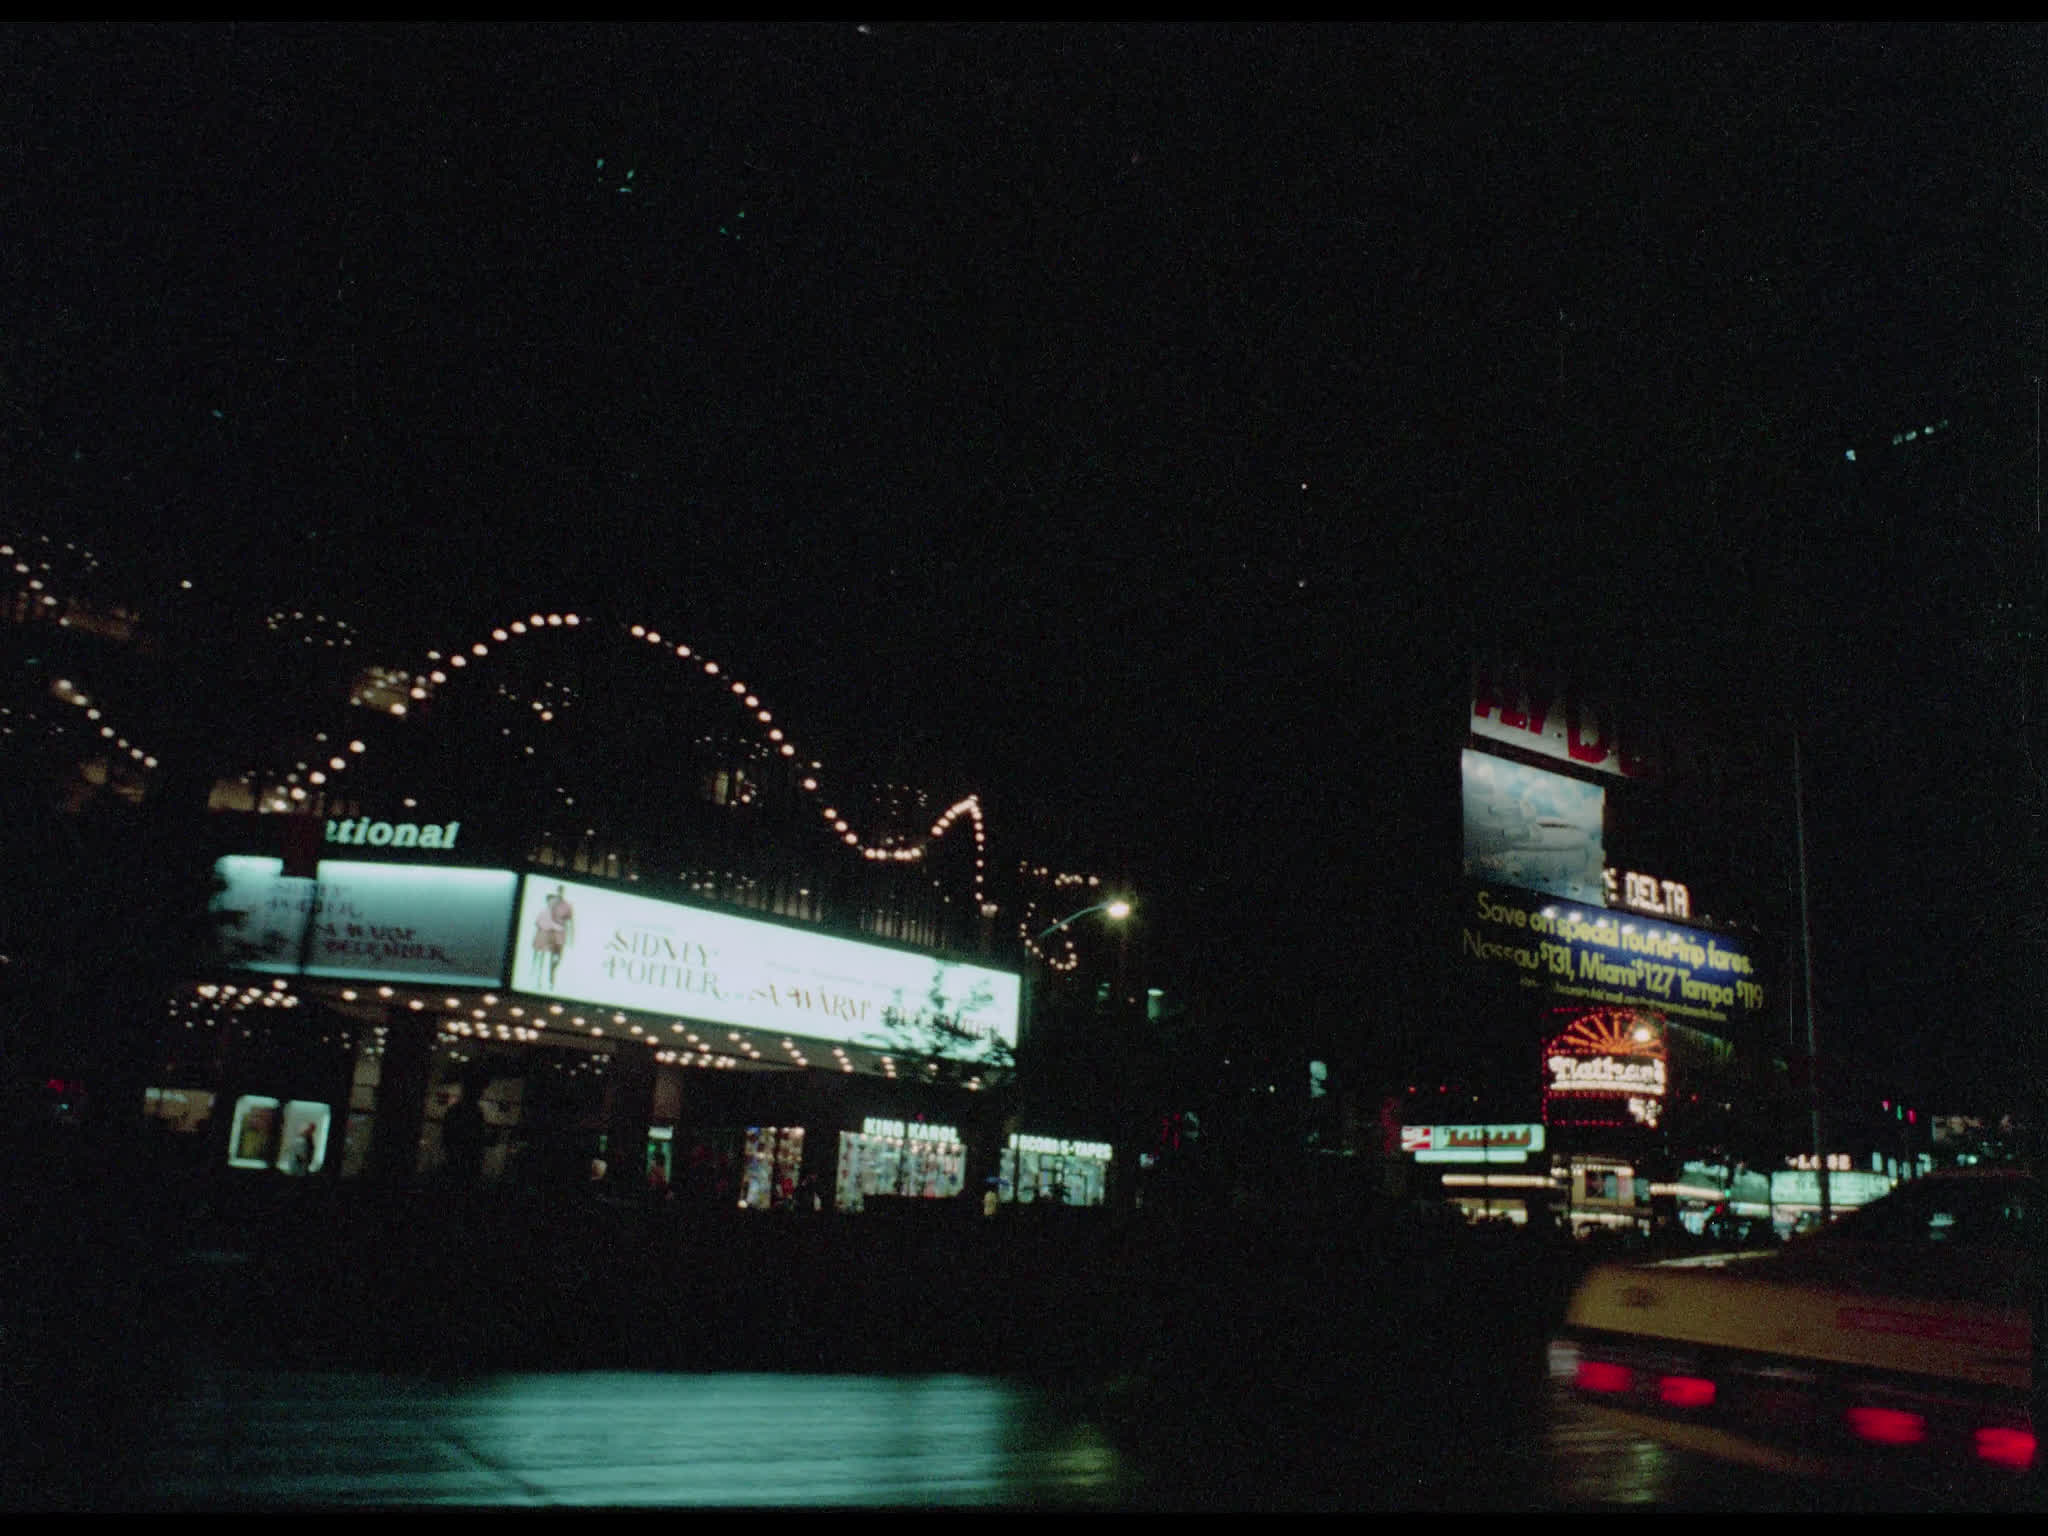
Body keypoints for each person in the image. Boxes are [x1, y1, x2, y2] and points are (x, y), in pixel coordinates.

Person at [530, 887, 575, 987]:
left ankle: (548, 980)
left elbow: (569, 922)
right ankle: (540, 980)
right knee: (541, 959)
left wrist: (570, 937)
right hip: (545, 937)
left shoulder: (566, 905)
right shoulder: (547, 909)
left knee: (554, 958)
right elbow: (541, 922)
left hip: (556, 937)